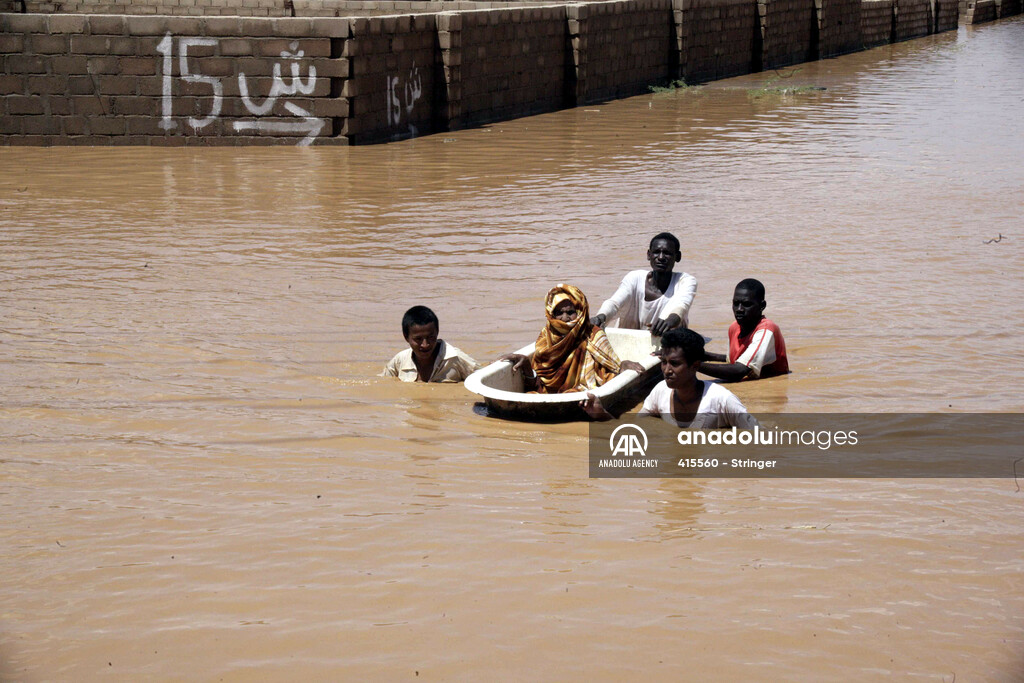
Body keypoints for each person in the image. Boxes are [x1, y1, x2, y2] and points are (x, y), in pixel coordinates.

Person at [583, 328, 756, 427]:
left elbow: (760, 438)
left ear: (695, 366)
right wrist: (602, 414)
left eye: (675, 363)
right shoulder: (660, 392)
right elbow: (634, 432)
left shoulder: (721, 399)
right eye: (664, 362)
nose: (666, 370)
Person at [502, 284, 645, 394]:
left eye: (571, 312)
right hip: (550, 395)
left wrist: (622, 366)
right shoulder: (545, 337)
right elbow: (538, 384)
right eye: (559, 313)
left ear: (581, 313)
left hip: (582, 394)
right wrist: (527, 365)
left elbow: (610, 368)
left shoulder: (594, 335)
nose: (565, 318)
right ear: (551, 314)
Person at [591, 232, 698, 336]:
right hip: (626, 340)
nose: (661, 257)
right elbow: (614, 304)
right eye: (656, 252)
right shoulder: (634, 278)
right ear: (649, 255)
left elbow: (682, 306)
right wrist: (601, 317)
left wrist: (670, 321)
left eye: (667, 253)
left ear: (678, 257)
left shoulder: (685, 281)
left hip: (667, 347)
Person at [698, 278, 789, 382]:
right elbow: (734, 360)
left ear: (762, 306)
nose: (739, 309)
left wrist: (694, 365)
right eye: (736, 303)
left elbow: (739, 371)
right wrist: (704, 355)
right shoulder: (734, 327)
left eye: (746, 304)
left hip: (770, 390)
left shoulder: (767, 330)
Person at [381, 305, 479, 383]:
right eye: (418, 339)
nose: (425, 344)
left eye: (431, 337)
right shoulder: (399, 361)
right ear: (406, 337)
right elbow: (384, 386)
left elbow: (484, 379)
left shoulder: (455, 358)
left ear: (437, 332)